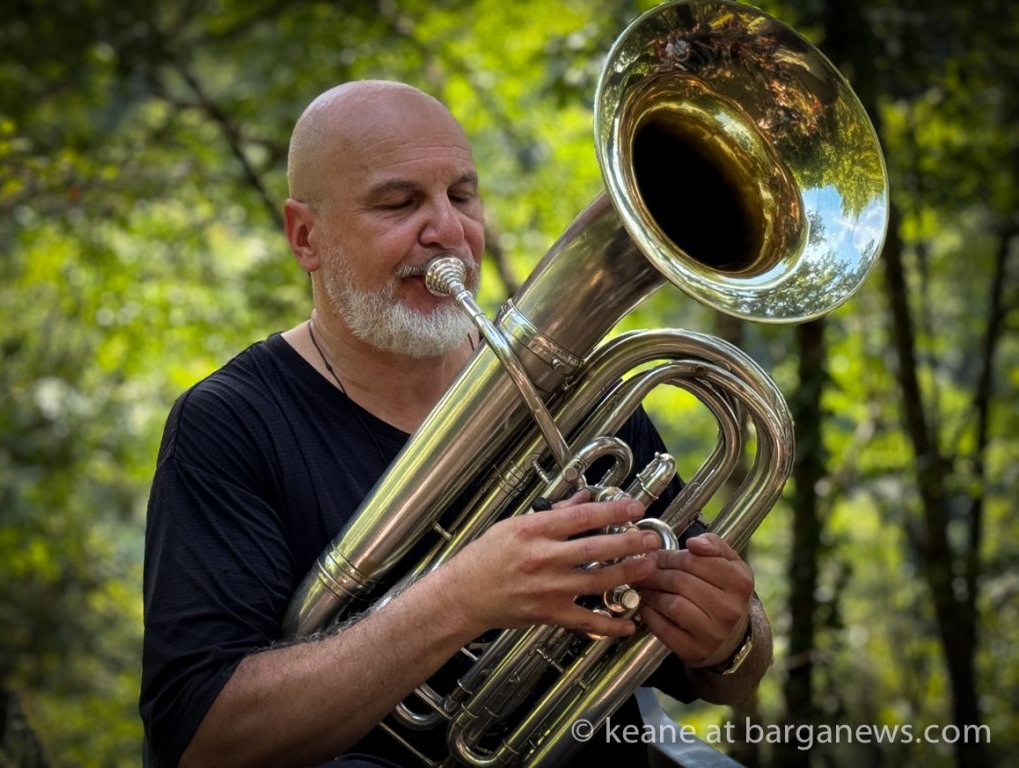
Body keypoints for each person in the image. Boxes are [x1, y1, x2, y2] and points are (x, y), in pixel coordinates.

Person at [140, 80, 773, 768]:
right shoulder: (230, 424)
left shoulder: (575, 394)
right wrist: (457, 601)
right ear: (306, 236)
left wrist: (730, 637)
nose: (448, 230)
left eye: (462, 196)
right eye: (398, 202)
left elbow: (733, 679)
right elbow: (202, 740)